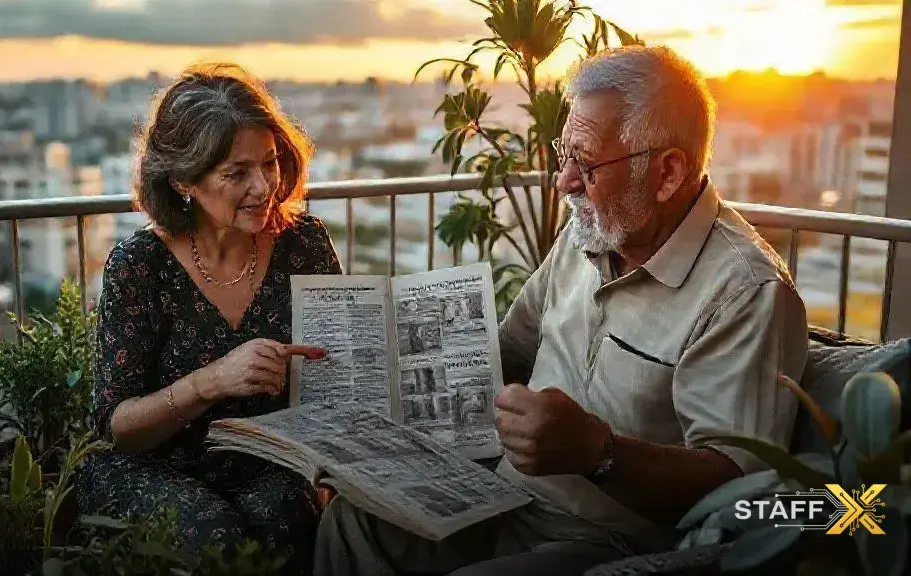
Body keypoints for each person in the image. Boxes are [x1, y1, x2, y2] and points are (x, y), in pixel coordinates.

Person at [314, 45, 809, 576]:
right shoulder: (588, 234)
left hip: (609, 539)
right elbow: (511, 348)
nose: (564, 181)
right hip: (503, 497)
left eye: (586, 163)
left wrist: (600, 453)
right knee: (353, 521)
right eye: (563, 154)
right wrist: (387, 389)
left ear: (666, 174)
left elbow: (738, 488)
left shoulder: (744, 290)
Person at [77, 62, 342, 574]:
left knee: (288, 516)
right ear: (183, 181)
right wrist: (213, 381)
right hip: (152, 463)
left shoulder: (303, 243)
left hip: (262, 458)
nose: (264, 187)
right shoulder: (141, 266)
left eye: (269, 163)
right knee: (212, 536)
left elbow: (338, 371)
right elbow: (117, 430)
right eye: (236, 173)